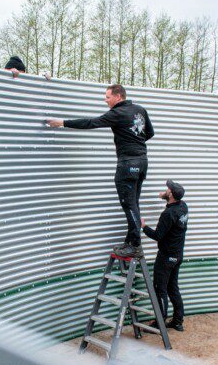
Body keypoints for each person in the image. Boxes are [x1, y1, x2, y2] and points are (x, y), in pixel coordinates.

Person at [46, 84, 154, 258]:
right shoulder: (140, 110)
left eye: (107, 97)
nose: (105, 100)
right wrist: (134, 141)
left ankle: (135, 245)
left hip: (127, 164)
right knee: (133, 203)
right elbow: (150, 133)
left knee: (129, 204)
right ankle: (130, 241)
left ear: (118, 97)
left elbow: (91, 122)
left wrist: (62, 123)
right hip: (142, 162)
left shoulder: (117, 113)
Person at [142, 179, 188, 331]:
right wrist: (164, 197)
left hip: (166, 257)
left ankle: (160, 324)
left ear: (172, 195)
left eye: (168, 189)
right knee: (172, 288)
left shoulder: (168, 214)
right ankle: (177, 321)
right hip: (178, 255)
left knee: (160, 288)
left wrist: (144, 226)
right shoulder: (182, 207)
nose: (166, 189)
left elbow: (157, 235)